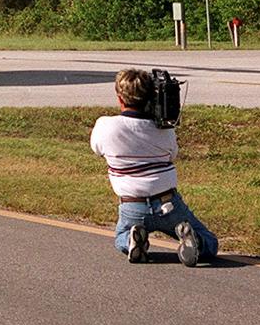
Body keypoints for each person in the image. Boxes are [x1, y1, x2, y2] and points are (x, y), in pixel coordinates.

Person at [89, 68, 218, 265]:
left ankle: (132, 240)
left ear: (120, 98)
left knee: (120, 237)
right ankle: (195, 242)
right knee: (210, 243)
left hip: (132, 205)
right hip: (169, 203)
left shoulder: (105, 125)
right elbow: (172, 154)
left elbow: (97, 149)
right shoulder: (164, 129)